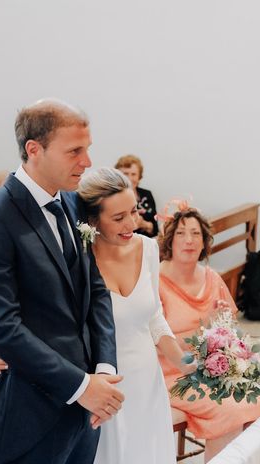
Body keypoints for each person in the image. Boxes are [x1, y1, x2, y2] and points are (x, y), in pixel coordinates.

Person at [0, 100, 123, 464]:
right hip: (29, 410)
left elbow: (95, 291)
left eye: (88, 148)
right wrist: (80, 387)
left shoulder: (69, 202)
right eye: (74, 151)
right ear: (34, 150)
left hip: (87, 409)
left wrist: (104, 371)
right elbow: (1, 327)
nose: (87, 162)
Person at [79, 167, 195, 463]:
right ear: (93, 220)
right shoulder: (79, 259)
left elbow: (154, 318)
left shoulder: (147, 248)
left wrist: (184, 363)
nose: (131, 223)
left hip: (146, 379)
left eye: (133, 211)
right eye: (118, 218)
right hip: (105, 386)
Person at [157, 204, 260, 462]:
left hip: (212, 367)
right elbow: (154, 344)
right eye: (181, 233)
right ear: (169, 240)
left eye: (196, 234)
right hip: (171, 372)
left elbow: (231, 329)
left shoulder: (211, 277)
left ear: (204, 242)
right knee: (229, 412)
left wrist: (221, 326)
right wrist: (203, 329)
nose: (189, 240)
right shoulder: (155, 282)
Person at [115, 155, 158, 237]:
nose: (129, 178)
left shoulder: (147, 195)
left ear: (139, 177)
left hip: (145, 244)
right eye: (125, 174)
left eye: (133, 174)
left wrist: (143, 224)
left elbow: (155, 229)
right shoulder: (111, 197)